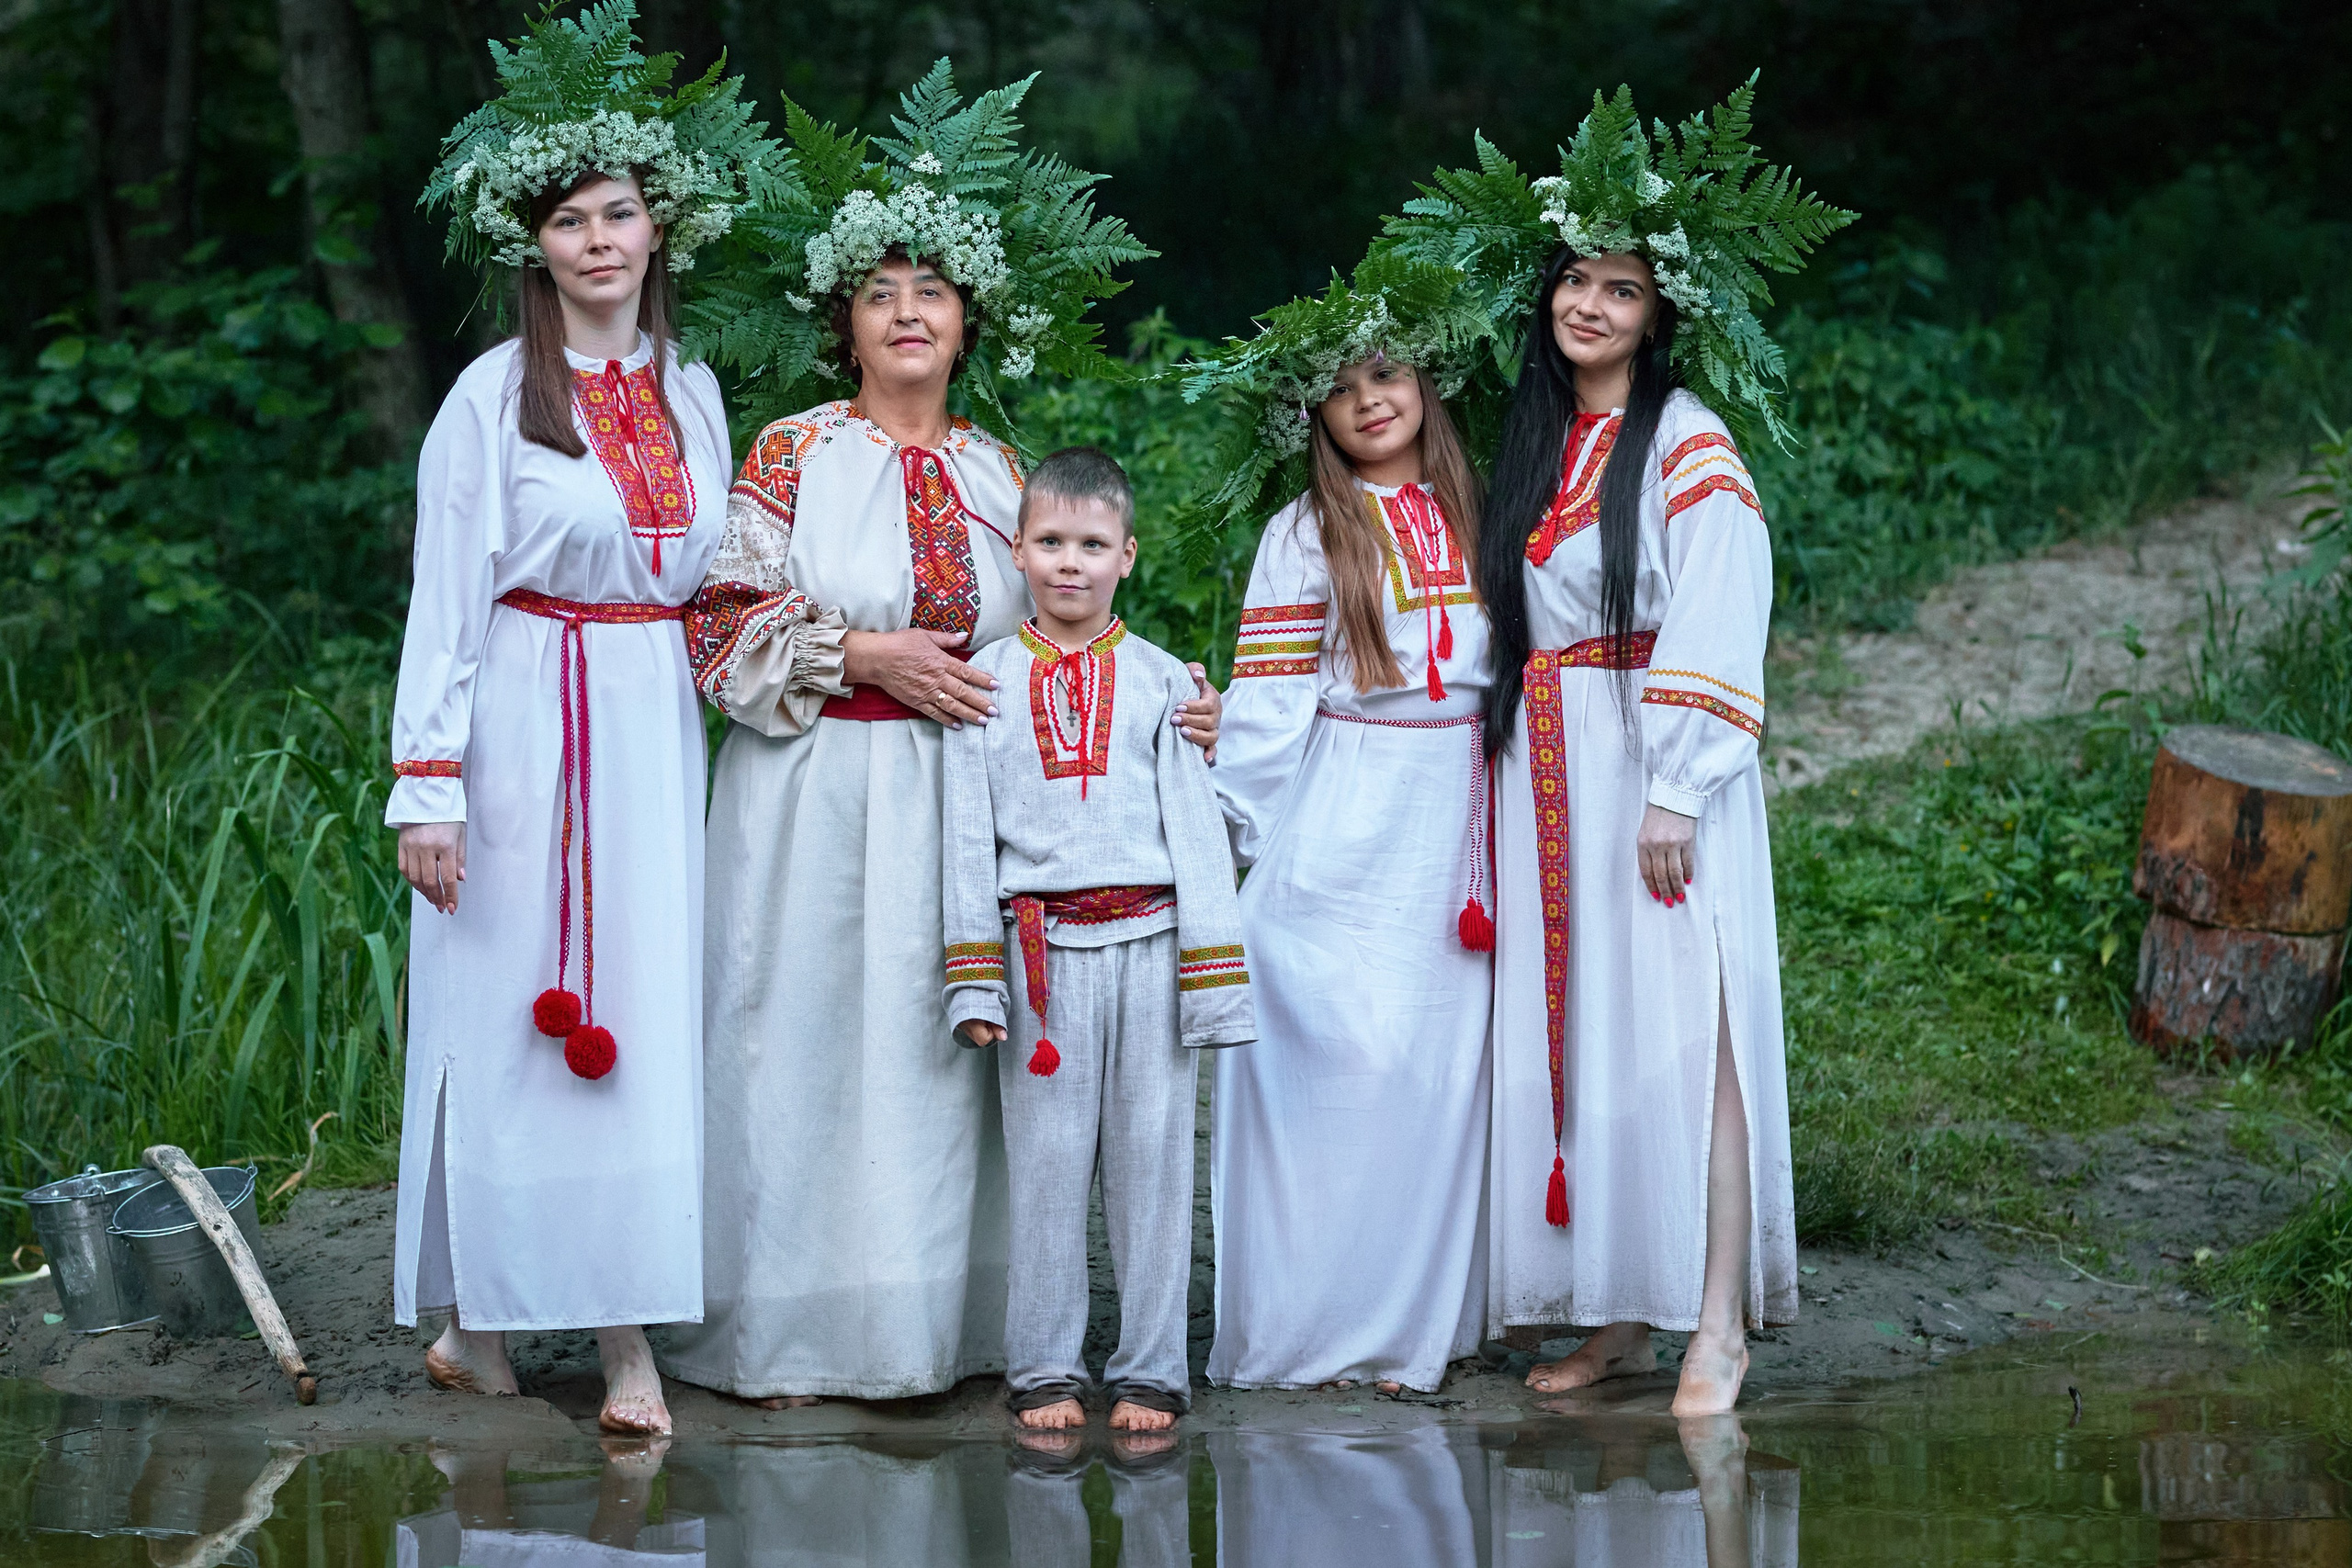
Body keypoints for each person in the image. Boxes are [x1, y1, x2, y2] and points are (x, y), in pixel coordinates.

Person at [657, 79, 1212, 1404]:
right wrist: (865, 654)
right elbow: (718, 623)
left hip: (973, 807)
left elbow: (1073, 630)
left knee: (944, 1062)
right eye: (880, 293)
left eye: (933, 291)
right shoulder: (792, 453)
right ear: (843, 321)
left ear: (969, 318)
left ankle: (947, 1332)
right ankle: (797, 1332)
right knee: (806, 1047)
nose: (908, 312)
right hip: (815, 797)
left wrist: (1174, 698)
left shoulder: (1002, 474)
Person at [1406, 82, 1851, 1415]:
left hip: (1649, 763)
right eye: (1575, 281)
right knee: (1588, 1036)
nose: (1589, 306)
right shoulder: (1540, 444)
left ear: (1660, 316)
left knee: (1684, 1037)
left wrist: (1676, 786)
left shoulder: (1686, 438)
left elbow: (1721, 599)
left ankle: (1715, 1323)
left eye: (1622, 289)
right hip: (1548, 765)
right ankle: (1617, 1315)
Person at [391, 7, 766, 1436]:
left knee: (639, 1011)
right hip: (521, 725)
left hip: (649, 727)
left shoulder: (693, 390)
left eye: (619, 213)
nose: (599, 239)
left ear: (659, 229)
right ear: (534, 243)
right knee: (506, 1017)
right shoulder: (491, 396)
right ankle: (488, 1323)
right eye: (569, 219)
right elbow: (444, 600)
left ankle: (617, 1329)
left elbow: (714, 576)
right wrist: (428, 784)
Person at [1198, 310, 1495, 1393]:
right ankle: (1314, 1325)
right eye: (1340, 387)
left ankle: (1420, 1328)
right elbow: (1270, 703)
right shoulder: (1305, 532)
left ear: (1426, 381)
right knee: (1344, 1057)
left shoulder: (1484, 512)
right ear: (1310, 415)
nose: (1369, 399)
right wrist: (1233, 844)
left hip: (1460, 811)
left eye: (1386, 373)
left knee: (1436, 1072)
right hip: (1348, 809)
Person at [941, 447, 1254, 1435]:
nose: (1068, 562)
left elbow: (1201, 832)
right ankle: (1043, 1367)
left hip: (1153, 949)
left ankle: (1153, 1369)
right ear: (1016, 550)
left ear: (1127, 554)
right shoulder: (983, 684)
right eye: (1049, 542)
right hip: (1038, 957)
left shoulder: (1166, 683)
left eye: (1090, 543)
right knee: (1043, 1171)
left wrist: (1213, 978)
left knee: (1153, 1167)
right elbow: (964, 837)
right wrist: (975, 983)